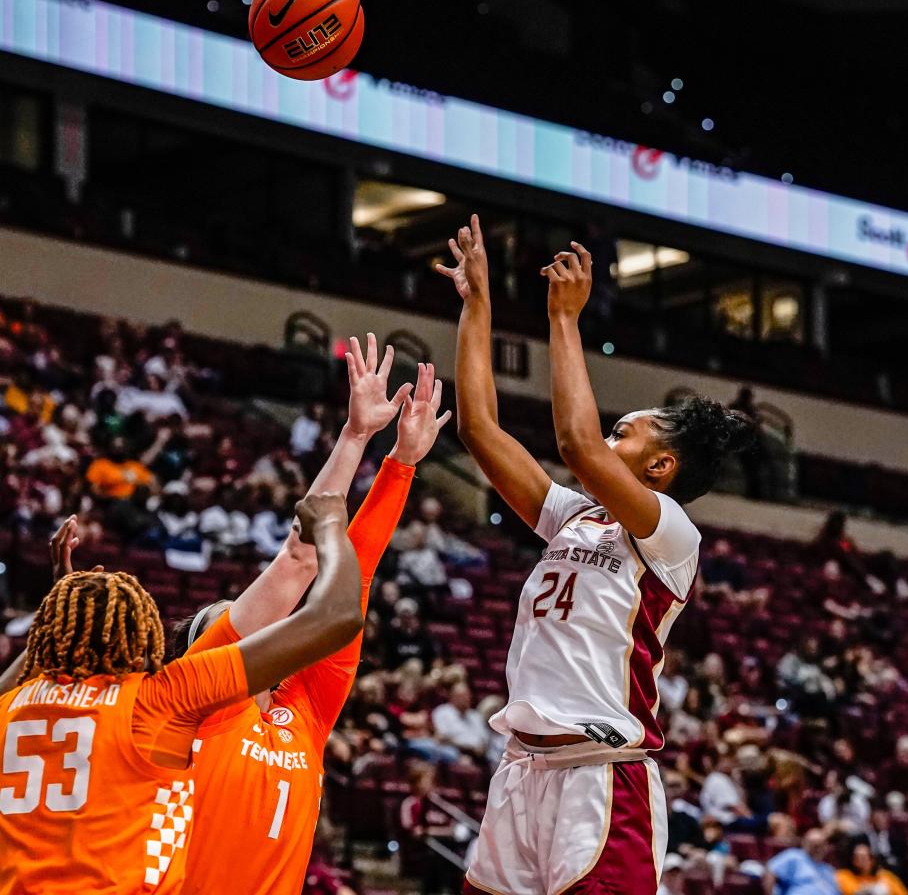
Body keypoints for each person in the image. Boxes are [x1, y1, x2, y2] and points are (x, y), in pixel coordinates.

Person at [437, 215, 753, 895]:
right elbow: (478, 427)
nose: (607, 438)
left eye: (624, 433)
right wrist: (478, 305)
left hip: (601, 777)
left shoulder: (671, 535)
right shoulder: (574, 517)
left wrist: (565, 321)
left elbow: (577, 445)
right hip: (521, 772)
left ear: (662, 465)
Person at [176, 337, 450, 895]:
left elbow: (355, 573)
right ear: (203, 649)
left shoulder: (305, 709)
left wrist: (400, 466)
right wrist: (354, 437)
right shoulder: (193, 699)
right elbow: (302, 557)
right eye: (230, 620)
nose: (256, 621)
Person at [0, 491, 364, 894]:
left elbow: (30, 668)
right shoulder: (158, 700)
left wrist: (62, 602)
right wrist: (331, 527)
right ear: (141, 641)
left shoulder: (9, 706)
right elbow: (338, 616)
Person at [764, 829, 840, 895]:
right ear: (805, 843)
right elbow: (771, 872)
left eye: (821, 845)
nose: (818, 849)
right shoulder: (794, 856)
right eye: (814, 845)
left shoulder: (828, 870)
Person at [835, 843, 908, 895]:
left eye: (863, 858)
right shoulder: (843, 875)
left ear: (872, 860)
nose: (859, 861)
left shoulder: (886, 876)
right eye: (856, 858)